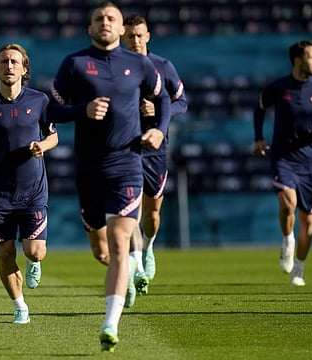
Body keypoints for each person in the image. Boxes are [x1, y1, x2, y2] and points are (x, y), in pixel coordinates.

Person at [47, 1, 171, 352]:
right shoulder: (73, 64)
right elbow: (51, 108)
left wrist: (159, 130)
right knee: (102, 251)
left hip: (127, 165)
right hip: (88, 168)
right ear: (90, 28)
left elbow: (163, 100)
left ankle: (110, 324)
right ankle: (127, 274)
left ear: (121, 29)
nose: (105, 22)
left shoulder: (140, 63)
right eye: (98, 18)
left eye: (111, 18)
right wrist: (80, 110)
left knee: (119, 243)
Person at [0, 43, 57, 324]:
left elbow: (54, 136)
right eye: (4, 62)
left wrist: (42, 145)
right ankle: (20, 307)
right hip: (0, 193)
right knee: (5, 253)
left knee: (34, 250)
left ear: (24, 68)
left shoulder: (39, 101)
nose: (9, 66)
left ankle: (34, 262)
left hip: (33, 191)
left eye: (15, 61)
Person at [253, 40, 312, 286]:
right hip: (283, 158)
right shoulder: (280, 87)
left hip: (311, 163)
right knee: (288, 203)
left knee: (309, 221)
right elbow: (260, 107)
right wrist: (259, 138)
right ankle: (287, 239)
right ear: (298, 60)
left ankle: (299, 270)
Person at [122, 14, 188, 303]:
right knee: (131, 211)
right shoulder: (116, 67)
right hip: (124, 148)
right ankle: (136, 267)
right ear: (122, 38)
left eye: (140, 35)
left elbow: (182, 102)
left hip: (156, 150)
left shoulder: (163, 66)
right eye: (130, 36)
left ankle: (148, 247)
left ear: (147, 36)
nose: (135, 41)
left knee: (151, 213)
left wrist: (160, 113)